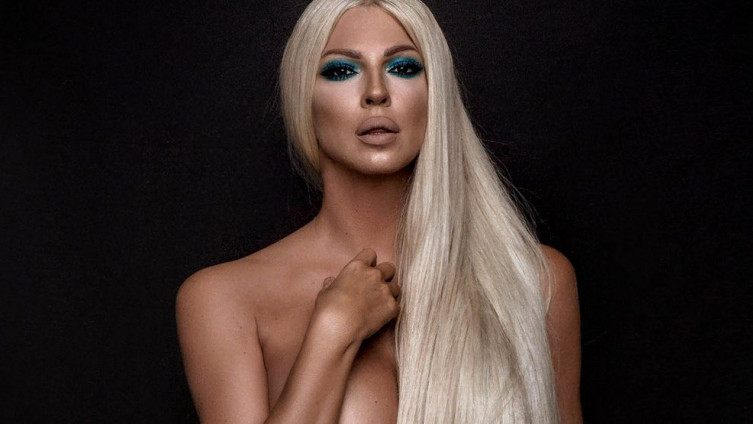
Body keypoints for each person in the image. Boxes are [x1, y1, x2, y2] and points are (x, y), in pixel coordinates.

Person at [176, 0, 581, 422]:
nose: (375, 92)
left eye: (403, 67)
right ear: (304, 98)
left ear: (436, 94)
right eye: (341, 70)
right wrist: (332, 334)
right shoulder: (224, 299)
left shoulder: (535, 281)